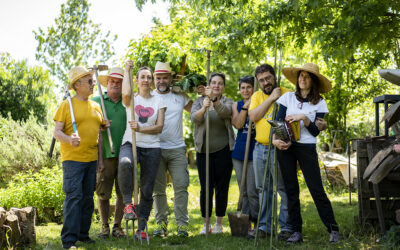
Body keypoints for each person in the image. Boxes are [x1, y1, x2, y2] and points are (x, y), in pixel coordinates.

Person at [272, 62, 339, 244]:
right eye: (301, 75)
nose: (302, 78)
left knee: (316, 189)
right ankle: (296, 232)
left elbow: (316, 131)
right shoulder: (287, 98)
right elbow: (277, 123)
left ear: (313, 81)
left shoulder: (320, 102)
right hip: (286, 147)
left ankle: (333, 229)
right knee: (291, 190)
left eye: (307, 76)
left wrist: (303, 118)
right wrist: (275, 140)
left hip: (306, 148)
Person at [54, 66, 109, 249]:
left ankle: (83, 234)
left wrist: (100, 159)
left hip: (91, 159)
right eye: (90, 81)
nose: (93, 84)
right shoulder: (66, 105)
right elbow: (57, 132)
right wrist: (69, 139)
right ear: (77, 85)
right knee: (74, 197)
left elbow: (100, 134)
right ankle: (68, 240)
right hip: (73, 160)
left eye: (93, 81)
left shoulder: (95, 105)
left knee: (87, 198)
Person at [118, 61, 166, 240]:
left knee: (146, 190)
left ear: (152, 81)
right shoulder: (131, 99)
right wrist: (127, 71)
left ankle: (142, 227)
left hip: (152, 147)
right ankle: (128, 205)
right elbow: (125, 92)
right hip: (131, 143)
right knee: (124, 163)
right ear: (137, 80)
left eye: (149, 77)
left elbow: (159, 127)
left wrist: (141, 128)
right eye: (142, 77)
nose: (146, 80)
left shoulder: (158, 100)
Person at [248, 64, 292, 240]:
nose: (266, 82)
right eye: (262, 80)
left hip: (280, 148)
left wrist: (278, 97)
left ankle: (287, 227)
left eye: (268, 78)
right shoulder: (257, 96)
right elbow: (253, 117)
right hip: (260, 148)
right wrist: (271, 98)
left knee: (283, 188)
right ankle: (265, 227)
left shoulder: (287, 93)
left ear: (274, 77)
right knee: (263, 188)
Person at [151, 62, 193, 237]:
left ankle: (182, 225)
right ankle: (161, 225)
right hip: (155, 149)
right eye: (158, 78)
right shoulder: (148, 96)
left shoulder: (180, 96)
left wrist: (197, 93)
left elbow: (197, 111)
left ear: (170, 79)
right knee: (158, 189)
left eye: (165, 77)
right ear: (154, 79)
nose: (161, 81)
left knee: (181, 186)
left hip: (177, 148)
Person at [191, 73, 235, 234]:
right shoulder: (198, 101)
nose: (217, 85)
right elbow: (195, 119)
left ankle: (218, 224)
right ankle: (205, 224)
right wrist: (204, 106)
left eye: (220, 83)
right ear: (209, 84)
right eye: (214, 82)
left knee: (222, 187)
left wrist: (214, 101)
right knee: (205, 188)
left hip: (223, 150)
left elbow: (225, 113)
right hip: (204, 151)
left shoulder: (227, 101)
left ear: (223, 86)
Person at [93, 67, 126, 239]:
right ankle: (104, 226)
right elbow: (89, 126)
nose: (115, 84)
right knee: (103, 192)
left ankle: (117, 226)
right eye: (112, 81)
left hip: (125, 153)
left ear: (123, 85)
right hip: (105, 153)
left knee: (122, 192)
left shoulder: (128, 101)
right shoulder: (97, 100)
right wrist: (99, 124)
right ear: (107, 83)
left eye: (118, 82)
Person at [231, 75, 259, 237]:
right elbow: (238, 124)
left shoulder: (261, 102)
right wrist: (245, 108)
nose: (246, 90)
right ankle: (245, 223)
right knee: (244, 191)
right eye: (243, 87)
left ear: (254, 89)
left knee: (253, 190)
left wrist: (253, 105)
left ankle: (257, 223)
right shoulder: (237, 105)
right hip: (240, 152)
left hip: (255, 151)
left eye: (249, 87)